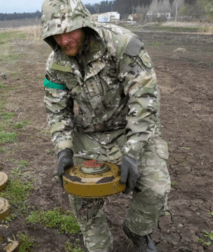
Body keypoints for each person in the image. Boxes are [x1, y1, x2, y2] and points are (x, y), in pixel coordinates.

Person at [40, 0, 171, 251]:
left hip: (132, 130)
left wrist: (132, 152)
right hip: (90, 135)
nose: (64, 40)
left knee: (155, 189)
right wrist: (64, 149)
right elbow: (57, 110)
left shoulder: (123, 45)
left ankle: (137, 232)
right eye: (56, 34)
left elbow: (144, 101)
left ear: (85, 25)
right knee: (80, 197)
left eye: (70, 32)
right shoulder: (55, 64)